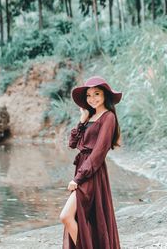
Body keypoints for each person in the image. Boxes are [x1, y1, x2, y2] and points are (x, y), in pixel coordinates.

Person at [60, 76, 122, 249]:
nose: (92, 98)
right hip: (84, 168)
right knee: (84, 217)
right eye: (89, 95)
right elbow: (72, 144)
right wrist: (82, 119)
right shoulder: (90, 116)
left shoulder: (108, 117)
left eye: (97, 94)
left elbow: (99, 152)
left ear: (105, 96)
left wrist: (78, 178)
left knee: (66, 216)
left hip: (92, 172)